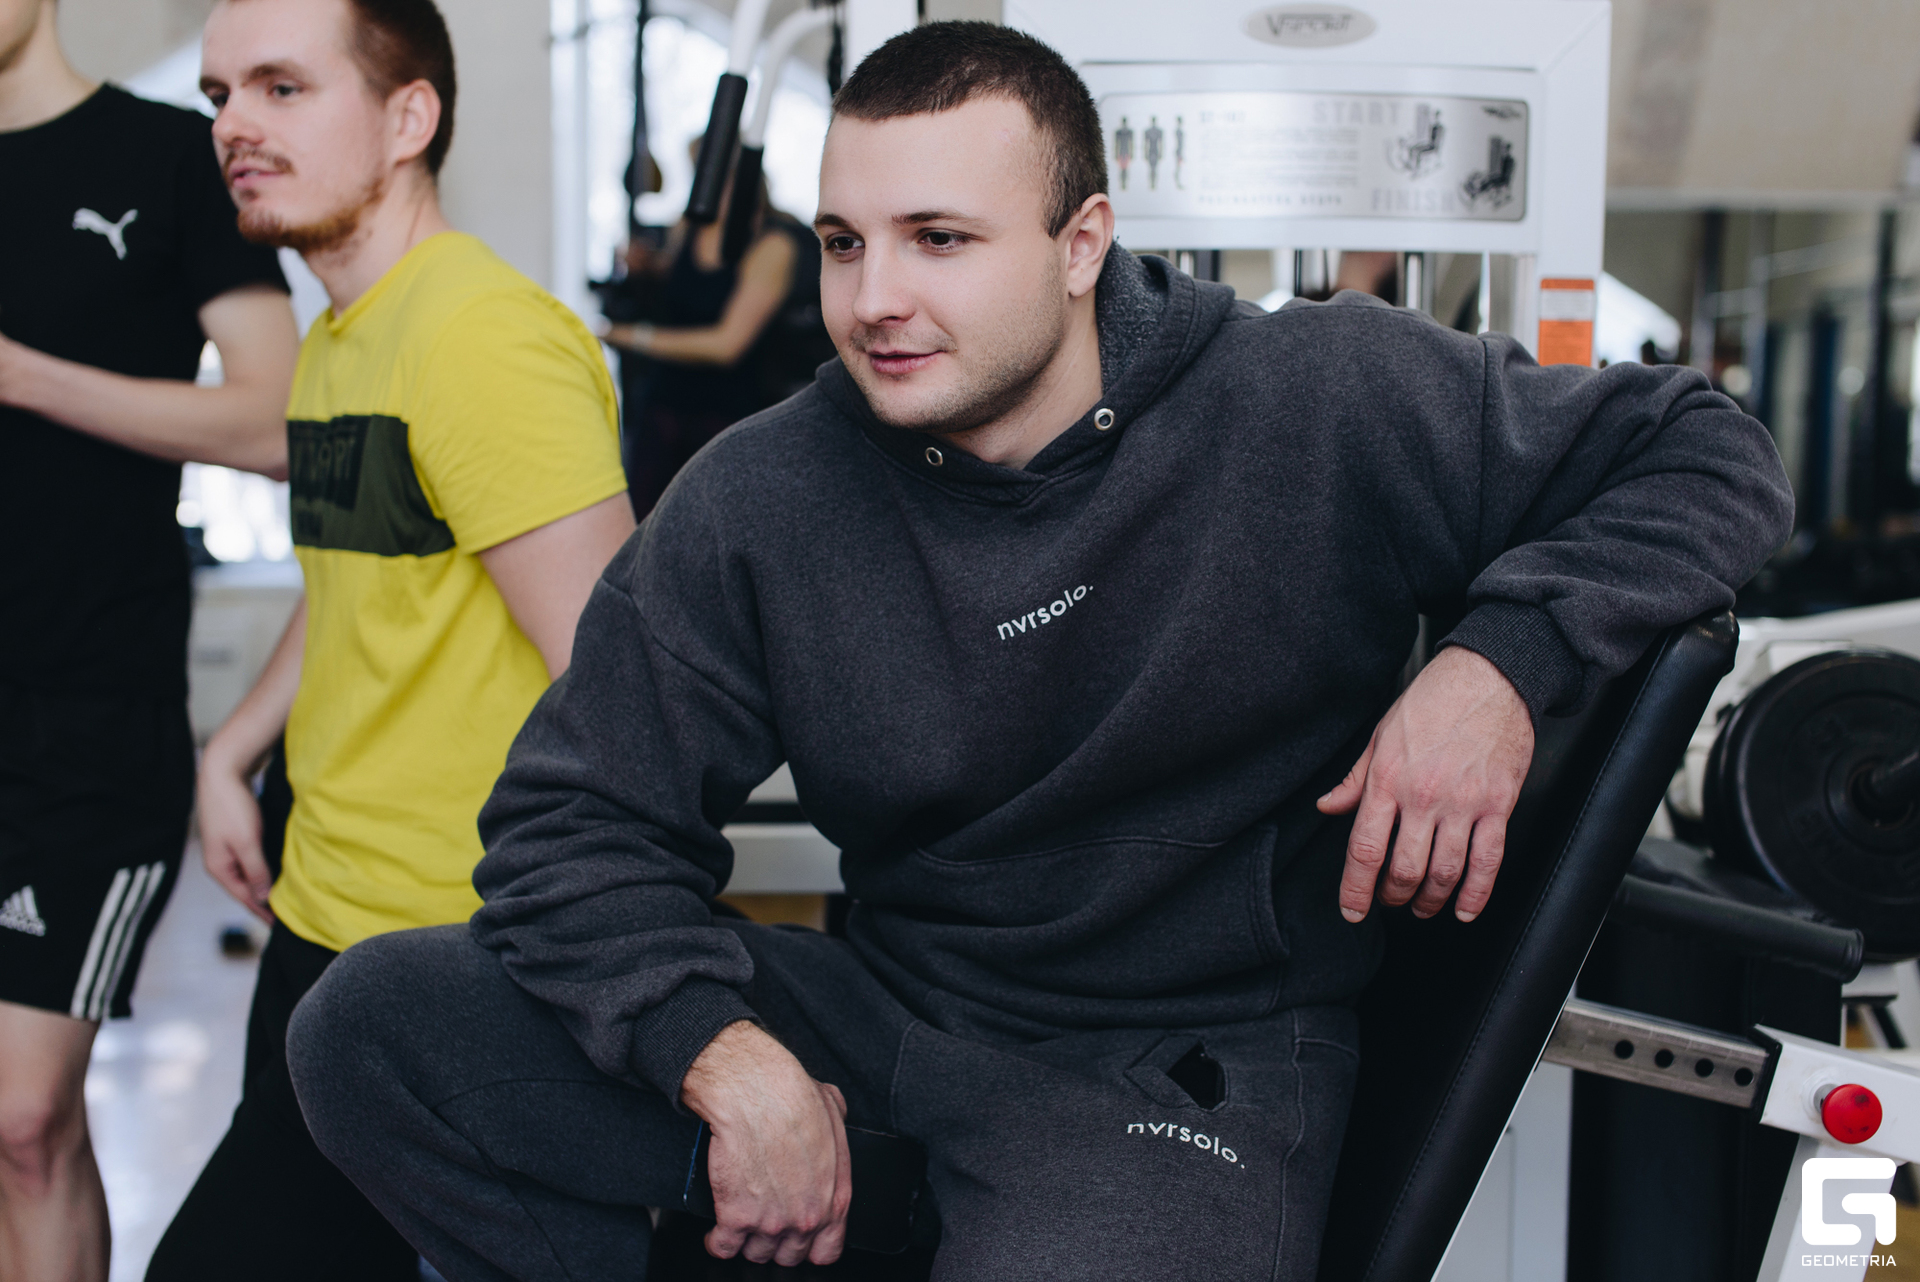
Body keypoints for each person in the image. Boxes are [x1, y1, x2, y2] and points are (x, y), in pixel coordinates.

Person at [289, 21, 1794, 1280]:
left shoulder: (1312, 396)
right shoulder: (769, 492)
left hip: (1178, 1063)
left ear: (1083, 245)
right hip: (890, 1015)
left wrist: (1498, 664)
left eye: (940, 240)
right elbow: (569, 825)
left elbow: (1706, 452)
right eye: (844, 242)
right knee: (375, 1025)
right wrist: (722, 1054)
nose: (874, 300)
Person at [141, 0, 634, 1278]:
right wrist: (232, 748)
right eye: (218, 96)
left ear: (409, 116)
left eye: (282, 87)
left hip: (439, 949)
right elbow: (362, 570)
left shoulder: (484, 342)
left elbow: (621, 692)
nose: (234, 126)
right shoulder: (340, 339)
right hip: (318, 906)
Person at [0, 0, 298, 1276]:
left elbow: (280, 418)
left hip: (85, 719)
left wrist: (20, 374)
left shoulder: (165, 155)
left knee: (24, 1119)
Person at [602, 162, 833, 516]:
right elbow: (679, 281)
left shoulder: (773, 243)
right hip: (663, 403)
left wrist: (630, 336)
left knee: (712, 519)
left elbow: (726, 345)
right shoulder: (689, 228)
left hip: (727, 412)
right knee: (643, 517)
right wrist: (646, 265)